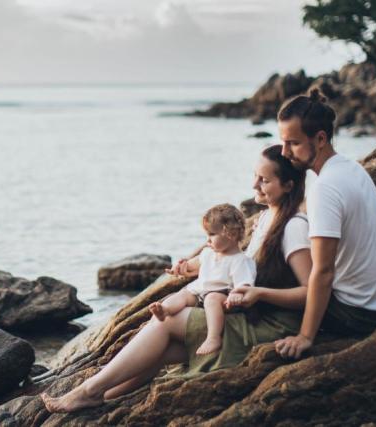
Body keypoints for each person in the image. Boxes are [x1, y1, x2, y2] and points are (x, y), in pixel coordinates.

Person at [41, 144, 311, 413]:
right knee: (163, 347)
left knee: (166, 322)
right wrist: (196, 264)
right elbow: (233, 257)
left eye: (264, 180)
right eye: (255, 175)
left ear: (288, 185)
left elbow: (311, 293)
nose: (254, 184)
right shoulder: (265, 217)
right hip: (249, 313)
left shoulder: (294, 228)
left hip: (270, 325)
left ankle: (88, 391)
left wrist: (261, 294)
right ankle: (106, 395)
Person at [273, 88, 376, 360]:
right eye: (282, 142)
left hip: (362, 313)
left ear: (321, 138)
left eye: (293, 143)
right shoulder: (349, 167)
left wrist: (305, 337)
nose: (284, 152)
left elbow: (323, 273)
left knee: (275, 284)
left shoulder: (324, 188)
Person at [148, 203, 257, 356]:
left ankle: (213, 338)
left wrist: (237, 294)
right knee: (183, 294)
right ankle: (165, 310)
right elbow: (192, 265)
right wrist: (180, 267)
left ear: (230, 234)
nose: (207, 240)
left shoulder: (240, 260)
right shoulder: (208, 253)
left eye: (212, 235)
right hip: (200, 292)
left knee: (212, 299)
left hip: (223, 297)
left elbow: (244, 283)